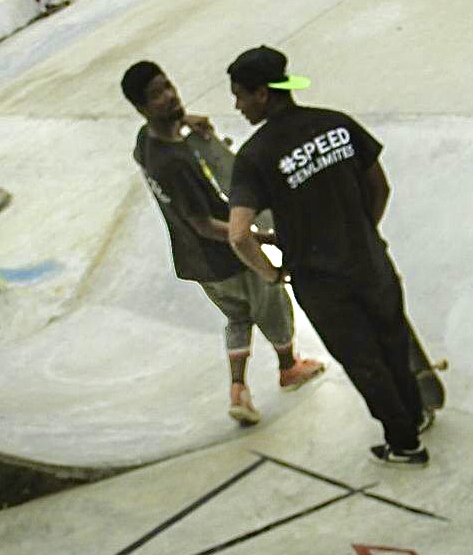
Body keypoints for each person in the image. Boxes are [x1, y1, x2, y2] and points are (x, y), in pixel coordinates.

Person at [225, 47, 429, 467]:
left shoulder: (255, 155)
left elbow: (239, 234)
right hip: (371, 261)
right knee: (393, 341)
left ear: (263, 94)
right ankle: (416, 414)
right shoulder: (336, 123)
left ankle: (405, 443)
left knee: (363, 360)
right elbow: (380, 187)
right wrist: (363, 231)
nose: (237, 106)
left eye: (240, 95)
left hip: (322, 283)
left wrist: (270, 273)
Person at [121, 61, 322, 427]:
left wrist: (185, 121)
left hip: (195, 263)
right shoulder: (174, 162)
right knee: (272, 302)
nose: (169, 96)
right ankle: (289, 367)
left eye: (168, 86)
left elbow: (159, 138)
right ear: (142, 107)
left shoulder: (145, 142)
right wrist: (258, 237)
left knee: (237, 316)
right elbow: (204, 225)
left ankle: (238, 389)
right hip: (225, 255)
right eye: (157, 95)